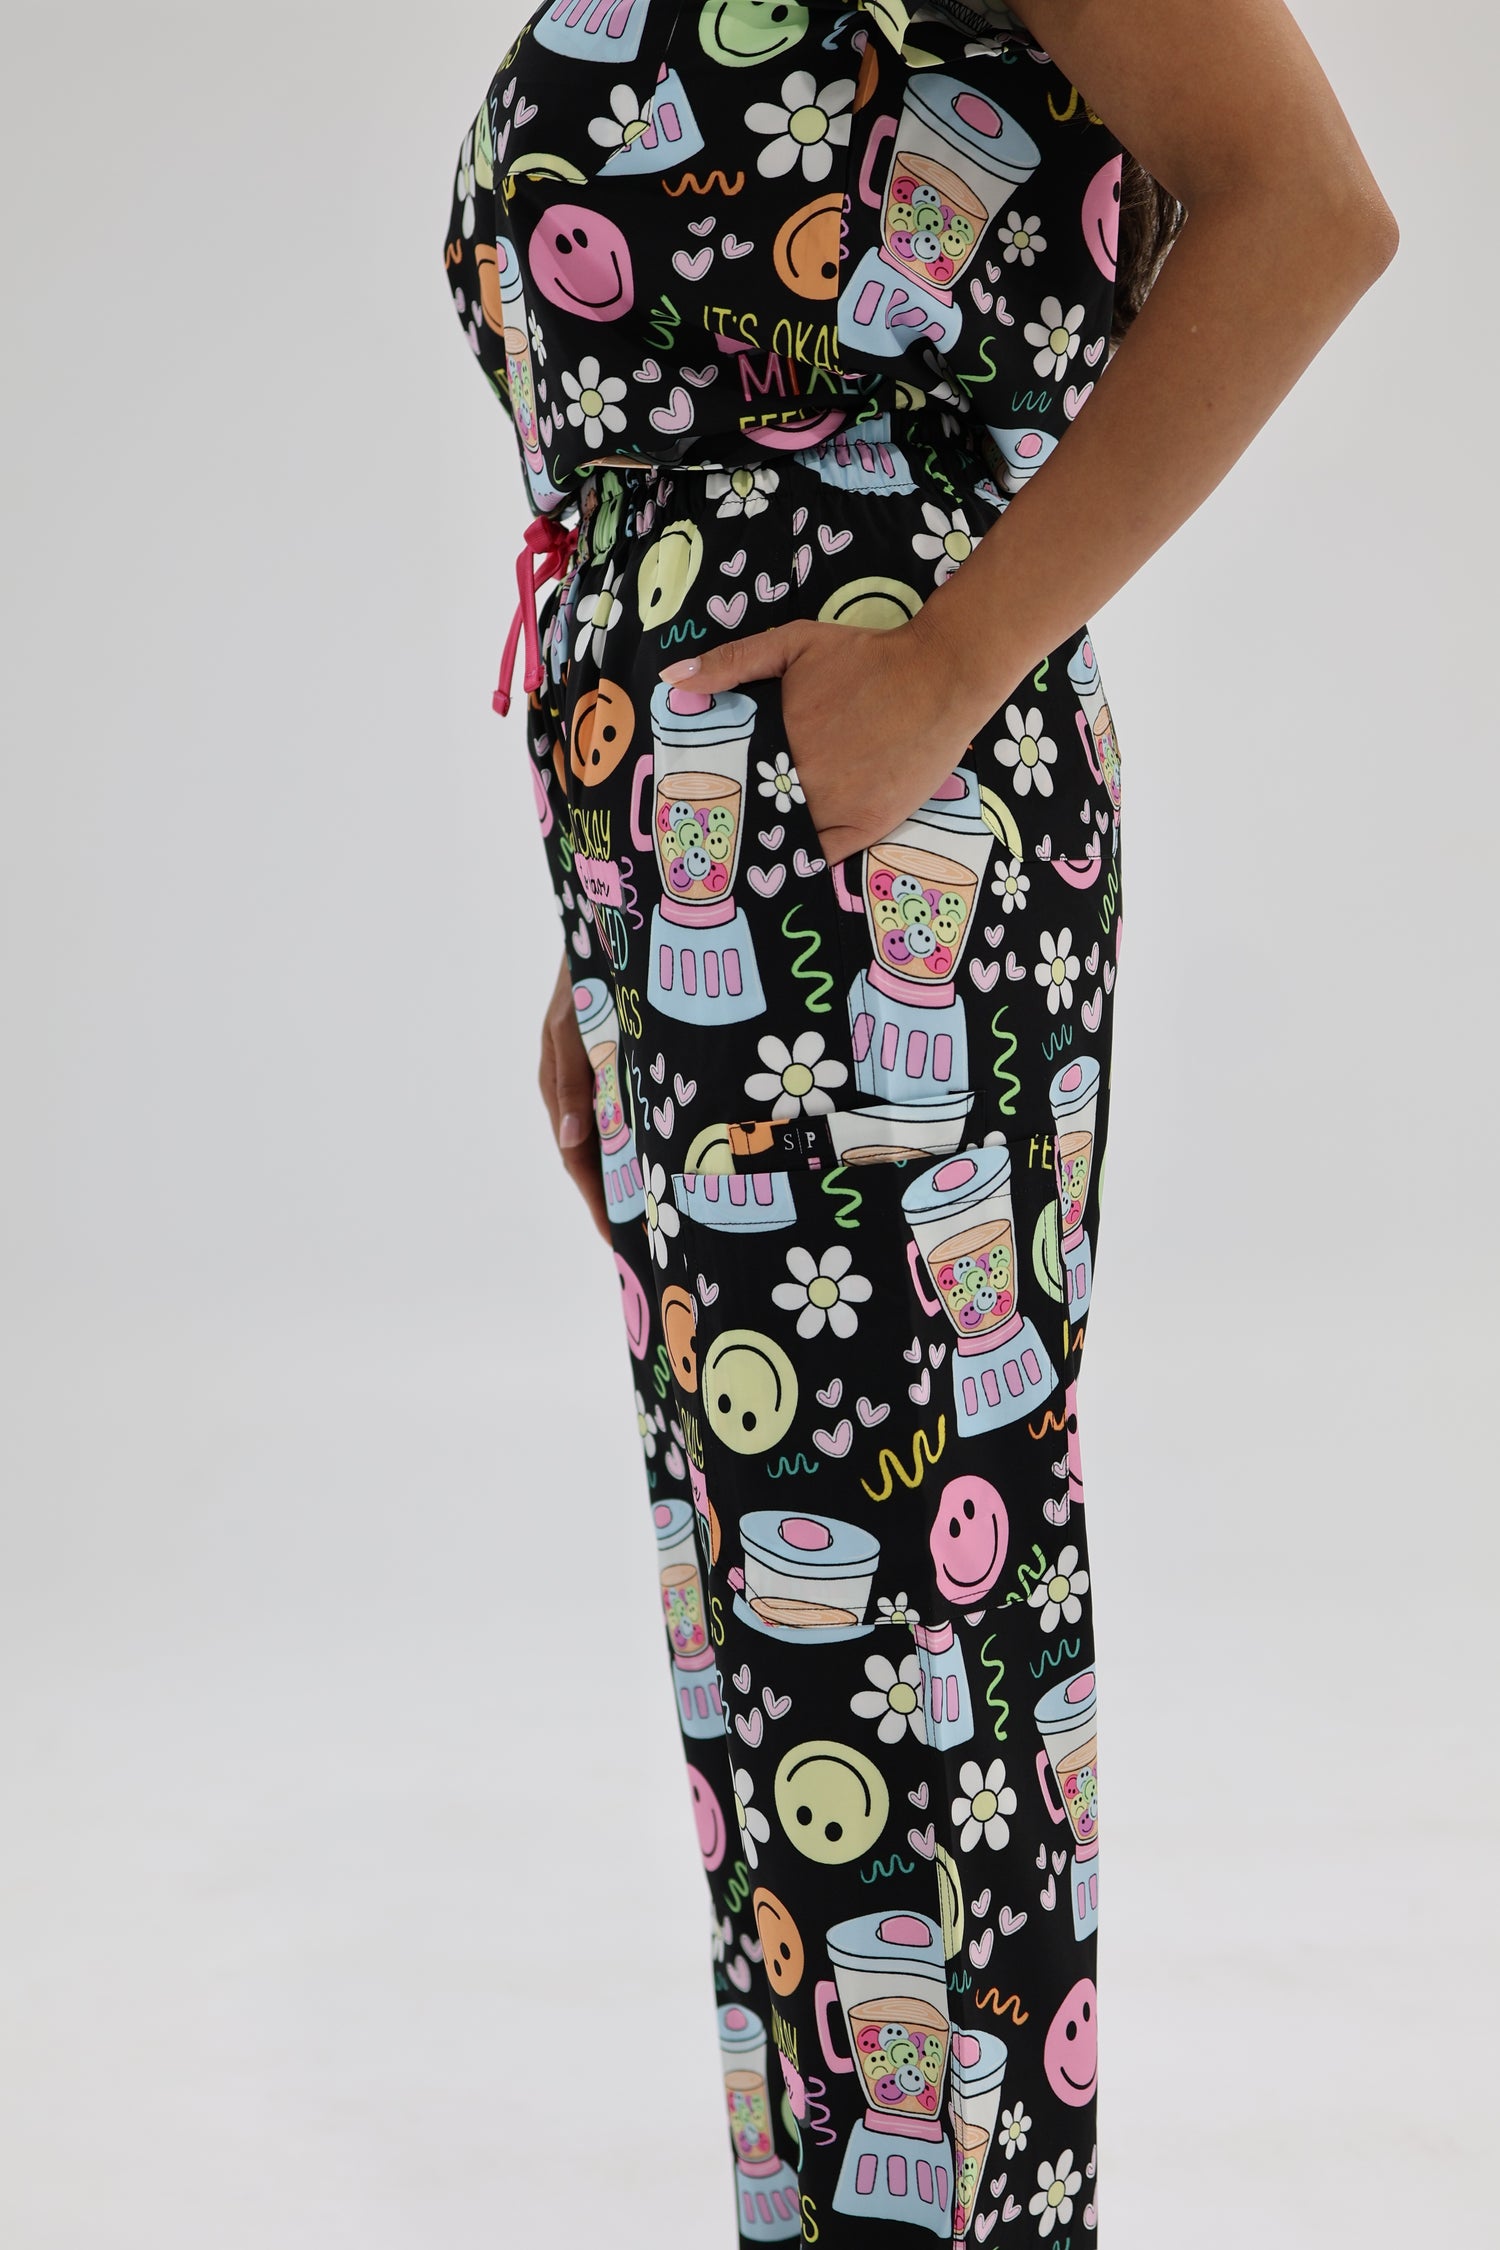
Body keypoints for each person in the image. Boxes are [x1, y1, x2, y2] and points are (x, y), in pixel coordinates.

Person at [444, 0, 1394, 2236]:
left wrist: (945, 670)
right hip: (726, 876)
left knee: (890, 1636)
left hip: (875, 853)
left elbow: (1310, 210)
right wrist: (626, 919)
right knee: (783, 1662)